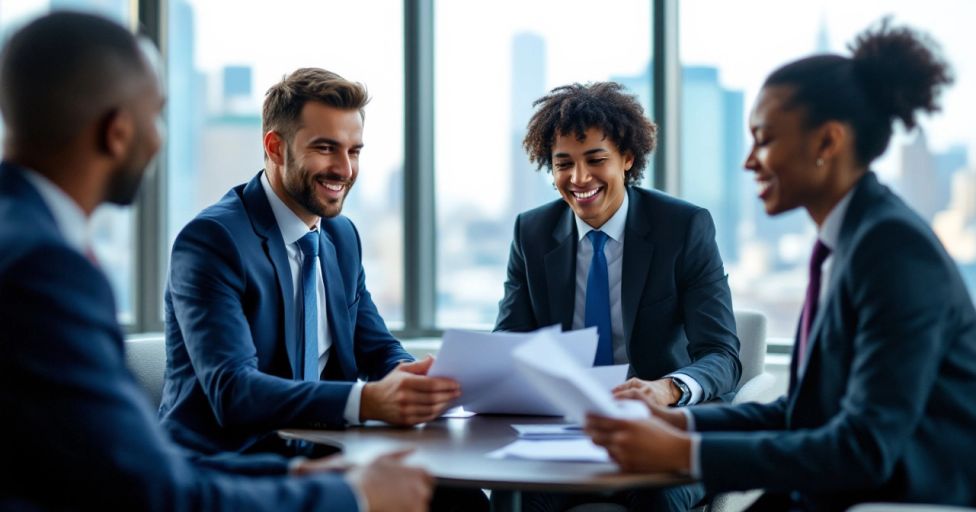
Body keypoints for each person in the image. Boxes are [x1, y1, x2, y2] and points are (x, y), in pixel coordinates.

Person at [0, 11, 433, 511]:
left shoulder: (28, 239)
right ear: (117, 132)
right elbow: (146, 483)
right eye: (156, 115)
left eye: (354, 149)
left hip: (253, 464)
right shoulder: (47, 268)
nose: (160, 139)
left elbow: (115, 462)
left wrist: (304, 471)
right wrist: (349, 494)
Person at [584, 20, 976, 511]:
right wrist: (677, 422)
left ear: (827, 143)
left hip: (911, 498)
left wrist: (687, 452)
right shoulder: (847, 240)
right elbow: (805, 412)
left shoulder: (893, 250)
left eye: (764, 139)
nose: (750, 161)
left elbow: (865, 448)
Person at [160, 67, 488, 511]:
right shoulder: (213, 241)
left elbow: (377, 350)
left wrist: (422, 380)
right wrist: (367, 400)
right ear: (275, 147)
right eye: (325, 148)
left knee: (460, 499)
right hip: (231, 468)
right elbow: (234, 392)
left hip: (321, 451)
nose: (345, 169)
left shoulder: (339, 236)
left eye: (354, 150)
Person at [496, 81, 742, 511]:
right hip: (564, 434)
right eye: (563, 164)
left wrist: (668, 389)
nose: (578, 178)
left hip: (659, 429)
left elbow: (722, 354)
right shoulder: (531, 233)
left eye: (595, 160)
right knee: (510, 494)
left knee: (658, 497)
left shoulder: (683, 228)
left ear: (627, 159)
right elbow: (510, 344)